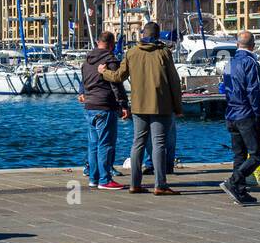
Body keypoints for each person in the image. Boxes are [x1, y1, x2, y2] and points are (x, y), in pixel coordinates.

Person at [99, 21, 183, 195]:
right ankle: (160, 185)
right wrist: (178, 106)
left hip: (138, 106)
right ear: (158, 35)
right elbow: (174, 82)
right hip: (161, 106)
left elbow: (118, 76)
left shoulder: (132, 52)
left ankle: (134, 184)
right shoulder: (164, 52)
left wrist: (103, 72)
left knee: (138, 143)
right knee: (159, 144)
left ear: (142, 34)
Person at [217, 32, 260, 205]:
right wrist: (258, 113)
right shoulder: (251, 62)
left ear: (238, 44)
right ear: (253, 45)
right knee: (256, 155)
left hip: (231, 112)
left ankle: (240, 190)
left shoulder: (229, 62)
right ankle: (234, 181)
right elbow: (254, 90)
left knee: (239, 154)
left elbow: (225, 87)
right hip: (246, 113)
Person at [78, 31, 128, 190]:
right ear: (112, 45)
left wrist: (82, 93)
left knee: (93, 144)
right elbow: (116, 84)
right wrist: (123, 105)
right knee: (106, 144)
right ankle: (105, 180)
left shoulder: (87, 60)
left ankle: (94, 178)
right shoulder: (110, 60)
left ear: (98, 42)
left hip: (90, 106)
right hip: (105, 106)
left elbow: (84, 81)